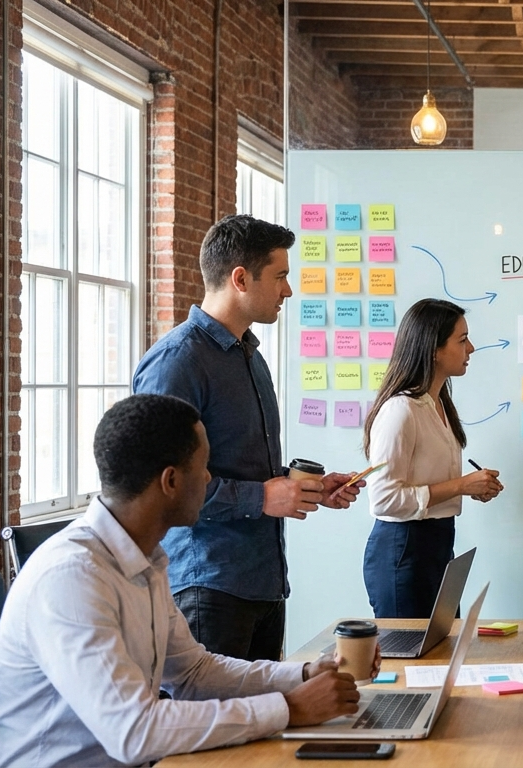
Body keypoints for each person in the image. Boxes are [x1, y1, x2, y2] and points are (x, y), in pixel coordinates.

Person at [0, 394, 370, 767]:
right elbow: (133, 731)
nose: (207, 478)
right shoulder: (73, 577)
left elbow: (193, 673)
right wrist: (290, 709)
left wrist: (302, 674)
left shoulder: (144, 557)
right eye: (203, 467)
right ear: (170, 482)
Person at [132, 214, 362, 661]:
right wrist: (260, 497)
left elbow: (241, 467)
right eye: (280, 277)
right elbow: (162, 483)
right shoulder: (176, 362)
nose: (288, 291)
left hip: (263, 582)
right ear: (240, 278)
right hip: (208, 585)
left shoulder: (250, 355)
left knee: (266, 725)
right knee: (220, 728)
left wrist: (301, 487)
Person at [361, 298, 504, 618]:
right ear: (434, 349)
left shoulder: (438, 404)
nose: (472, 349)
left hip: (437, 546)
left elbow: (431, 480)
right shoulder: (401, 411)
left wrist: (471, 487)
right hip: (404, 550)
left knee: (442, 655)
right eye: (462, 340)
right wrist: (460, 485)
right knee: (413, 660)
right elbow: (384, 500)